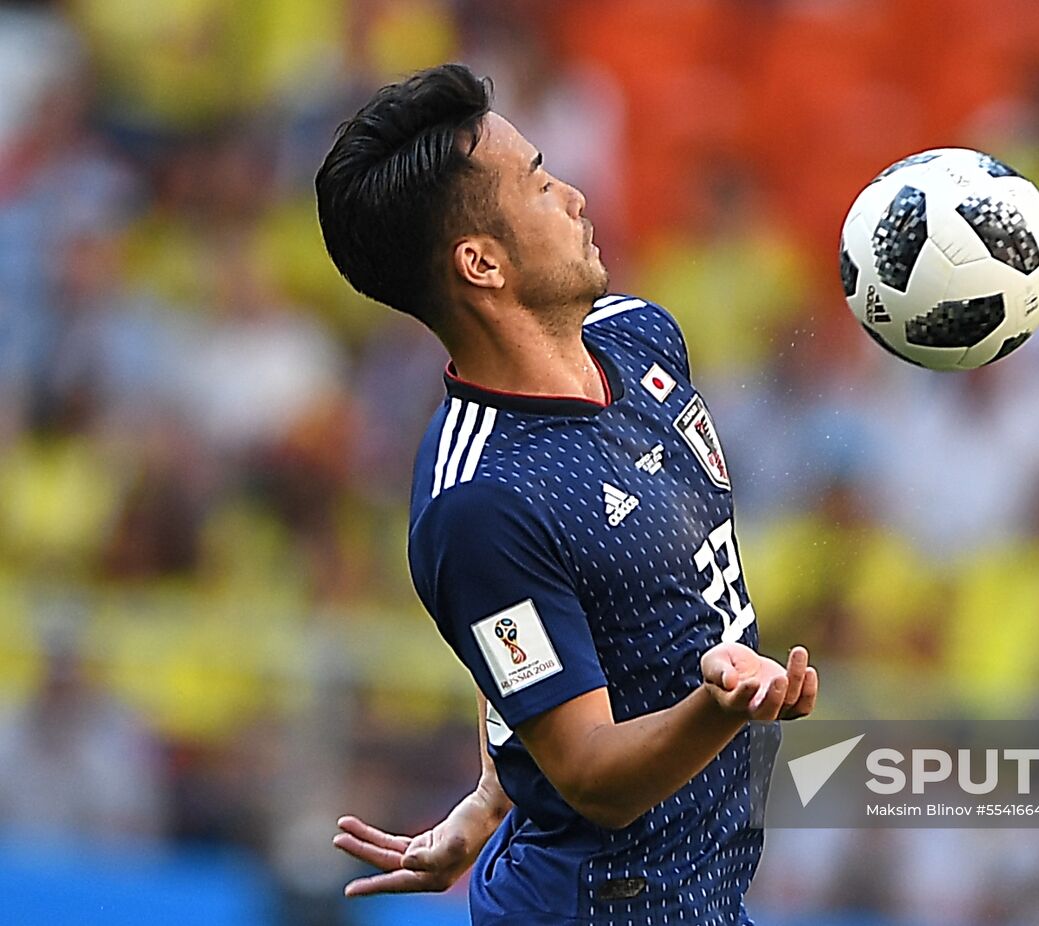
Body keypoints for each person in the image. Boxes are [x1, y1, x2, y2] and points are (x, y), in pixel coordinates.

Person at [314, 63, 818, 924]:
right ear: (481, 263)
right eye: (540, 184)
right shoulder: (480, 501)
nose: (577, 196)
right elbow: (592, 778)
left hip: (704, 894)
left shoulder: (640, 336)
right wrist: (720, 708)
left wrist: (491, 793)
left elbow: (527, 638)